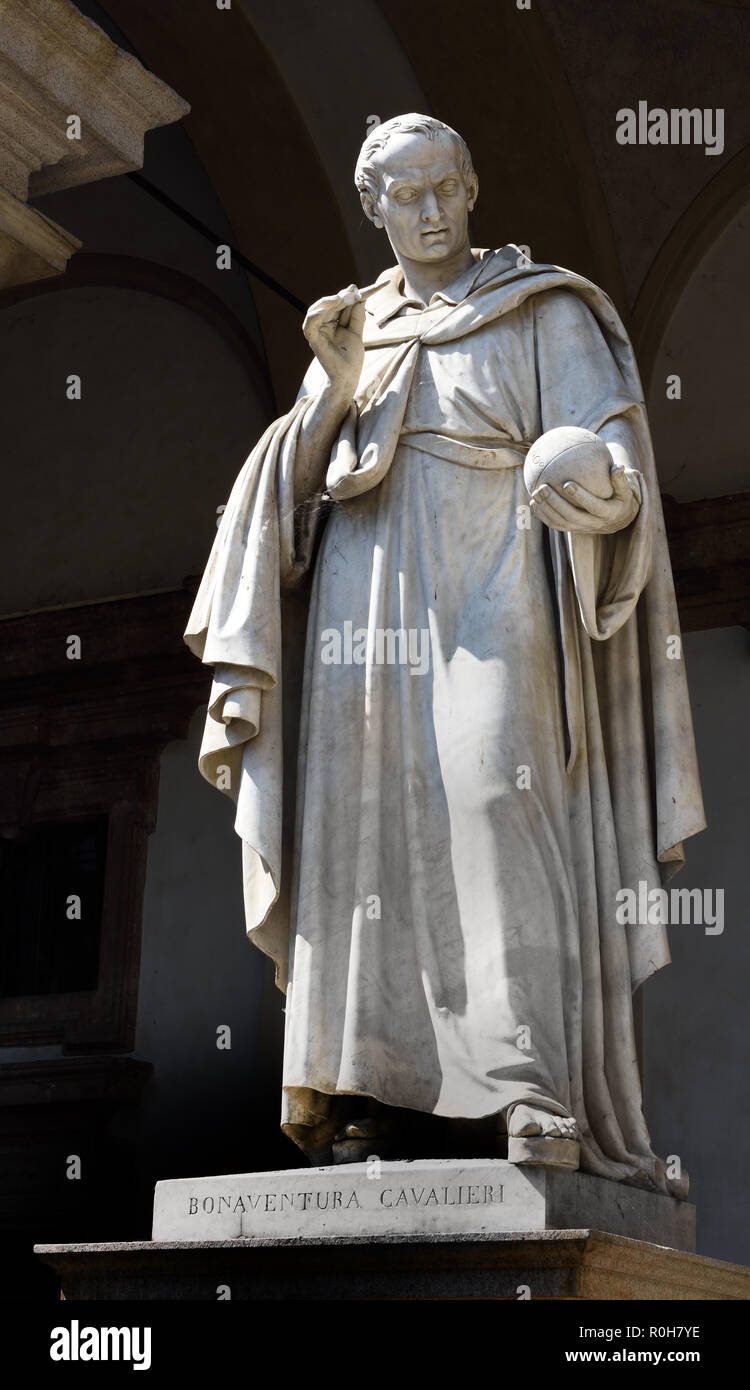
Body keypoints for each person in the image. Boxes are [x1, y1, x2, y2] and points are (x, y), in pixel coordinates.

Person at [185, 115, 705, 1192]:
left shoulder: (541, 307)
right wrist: (328, 389)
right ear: (374, 208)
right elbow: (284, 508)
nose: (428, 213)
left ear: (470, 187)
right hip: (359, 593)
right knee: (359, 824)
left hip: (495, 567)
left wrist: (603, 490)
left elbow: (613, 451)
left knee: (492, 790)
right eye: (404, 196)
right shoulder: (353, 328)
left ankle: (531, 1083)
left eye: (443, 190)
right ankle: (368, 1087)